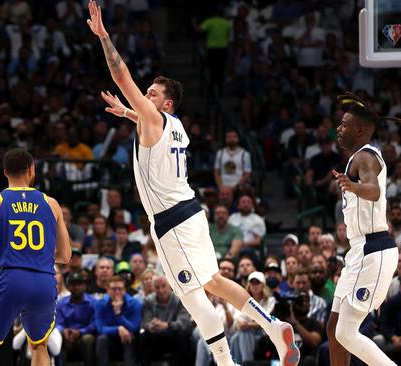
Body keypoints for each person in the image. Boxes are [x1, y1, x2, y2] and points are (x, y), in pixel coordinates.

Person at [88, 2, 298, 366]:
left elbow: (122, 78)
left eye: (152, 94)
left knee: (193, 298)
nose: (146, 98)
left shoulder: (155, 119)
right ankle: (272, 324)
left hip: (171, 223)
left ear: (165, 103)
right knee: (214, 282)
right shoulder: (176, 126)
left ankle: (226, 362)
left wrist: (105, 37)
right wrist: (126, 112)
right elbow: (145, 117)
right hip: (190, 213)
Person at [0, 148, 72, 366]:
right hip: (44, 280)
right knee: (39, 344)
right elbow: (65, 255)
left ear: (5, 172)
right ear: (32, 170)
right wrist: (38, 257)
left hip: (10, 277)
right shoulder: (51, 204)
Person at [328, 92, 401, 366]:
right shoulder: (357, 159)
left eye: (344, 124)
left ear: (360, 130)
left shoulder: (366, 157)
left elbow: (372, 190)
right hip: (359, 251)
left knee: (346, 333)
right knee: (334, 330)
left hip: (374, 249)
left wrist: (352, 186)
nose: (339, 127)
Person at [94, 275, 141, 366]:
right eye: (113, 289)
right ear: (107, 289)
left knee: (130, 337)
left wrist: (119, 315)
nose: (117, 292)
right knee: (102, 339)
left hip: (128, 342)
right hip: (109, 342)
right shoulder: (100, 304)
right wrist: (118, 329)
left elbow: (134, 328)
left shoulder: (135, 303)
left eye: (120, 289)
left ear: (125, 290)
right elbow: (100, 328)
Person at [56, 272, 96, 365]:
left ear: (85, 286)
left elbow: (95, 323)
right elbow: (58, 323)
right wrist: (63, 330)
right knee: (58, 337)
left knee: (88, 339)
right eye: (73, 284)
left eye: (79, 284)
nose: (76, 287)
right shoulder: (61, 303)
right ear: (68, 287)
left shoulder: (93, 302)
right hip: (68, 336)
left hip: (85, 335)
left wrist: (81, 332)